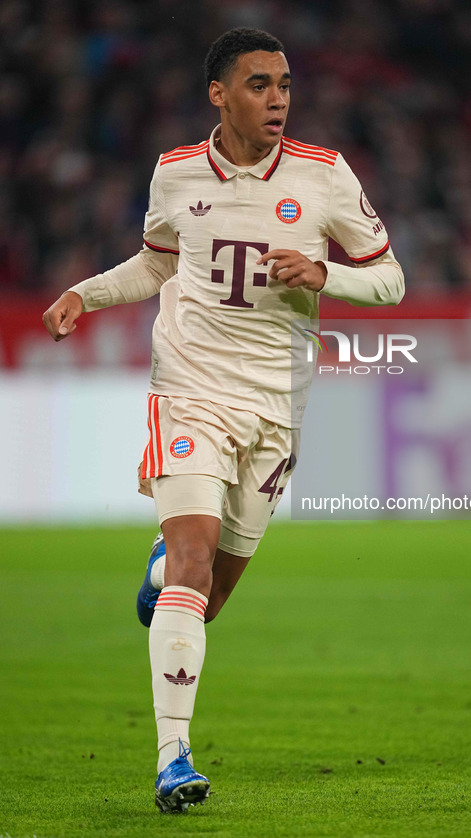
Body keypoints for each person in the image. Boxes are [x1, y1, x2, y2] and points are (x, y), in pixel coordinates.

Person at [42, 27, 405, 813]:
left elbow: (392, 282)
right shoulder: (175, 173)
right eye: (257, 83)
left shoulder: (324, 176)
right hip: (189, 389)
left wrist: (326, 272)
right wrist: (86, 293)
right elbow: (158, 261)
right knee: (194, 558)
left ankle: (160, 572)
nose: (276, 98)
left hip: (275, 407)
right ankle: (173, 758)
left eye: (283, 84)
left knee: (205, 595)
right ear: (218, 93)